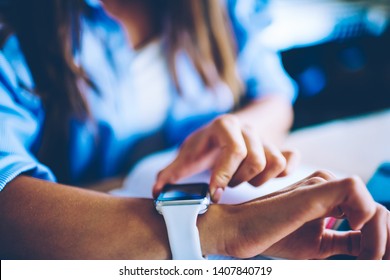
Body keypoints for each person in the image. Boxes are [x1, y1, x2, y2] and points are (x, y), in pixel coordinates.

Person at [0, 0, 388, 259]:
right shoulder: (18, 25)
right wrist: (219, 229)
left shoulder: (224, 7)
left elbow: (273, 95)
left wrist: (241, 129)